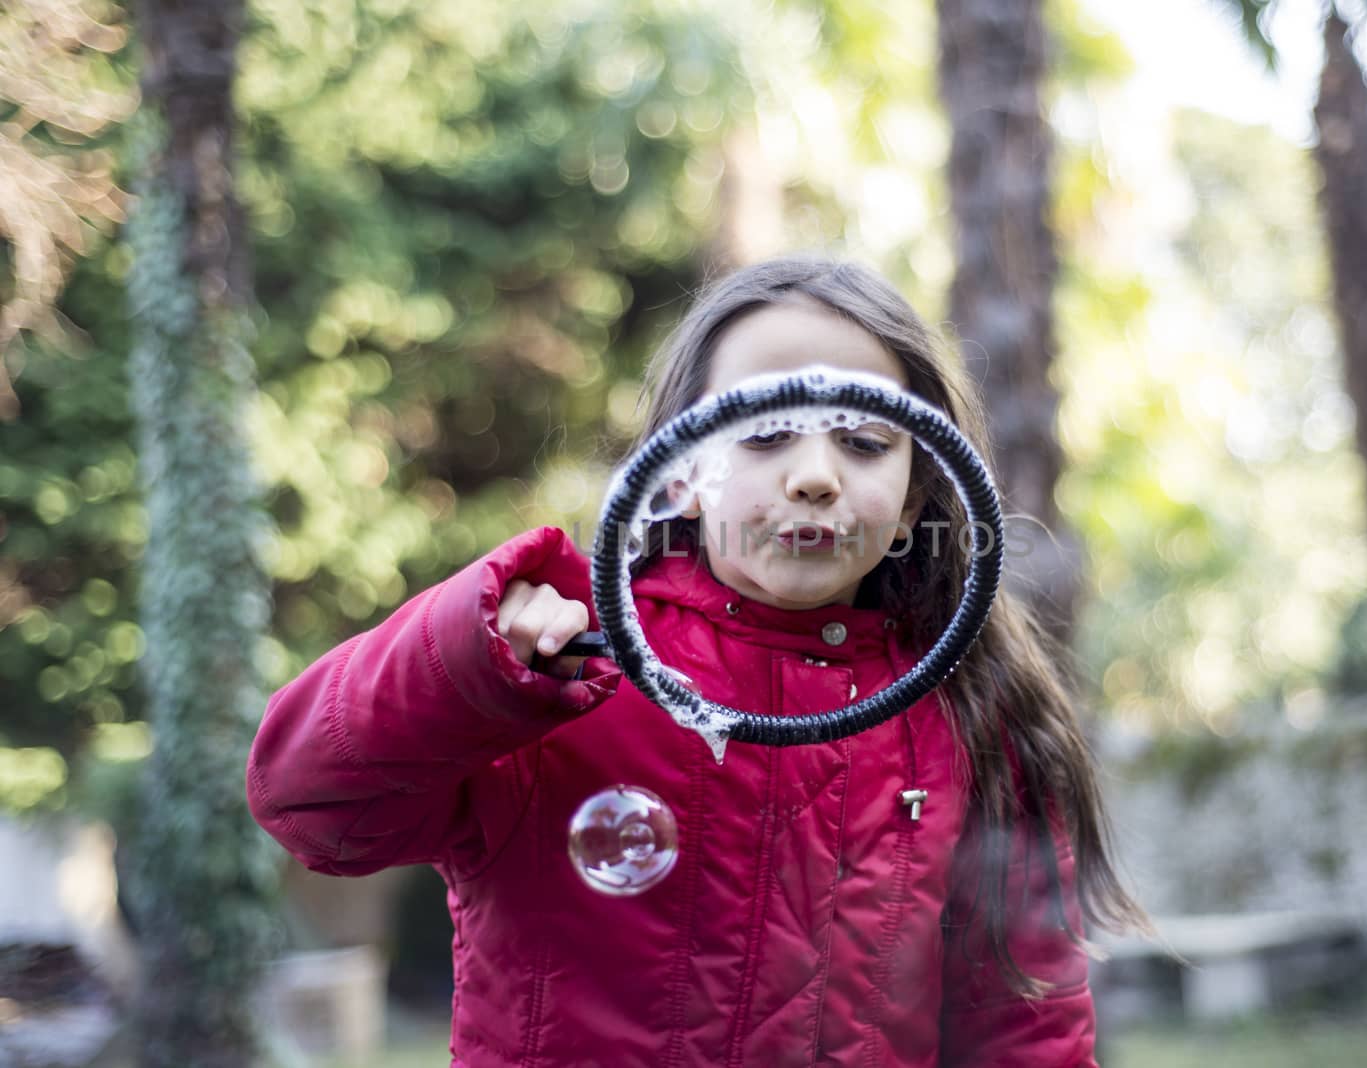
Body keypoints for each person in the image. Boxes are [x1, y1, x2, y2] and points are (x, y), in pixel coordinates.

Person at [247, 257, 1146, 1067]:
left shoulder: (969, 712)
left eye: (866, 441)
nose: (816, 474)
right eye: (762, 432)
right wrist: (475, 666)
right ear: (678, 472)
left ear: (913, 502)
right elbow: (309, 803)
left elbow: (1024, 1027)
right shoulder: (565, 679)